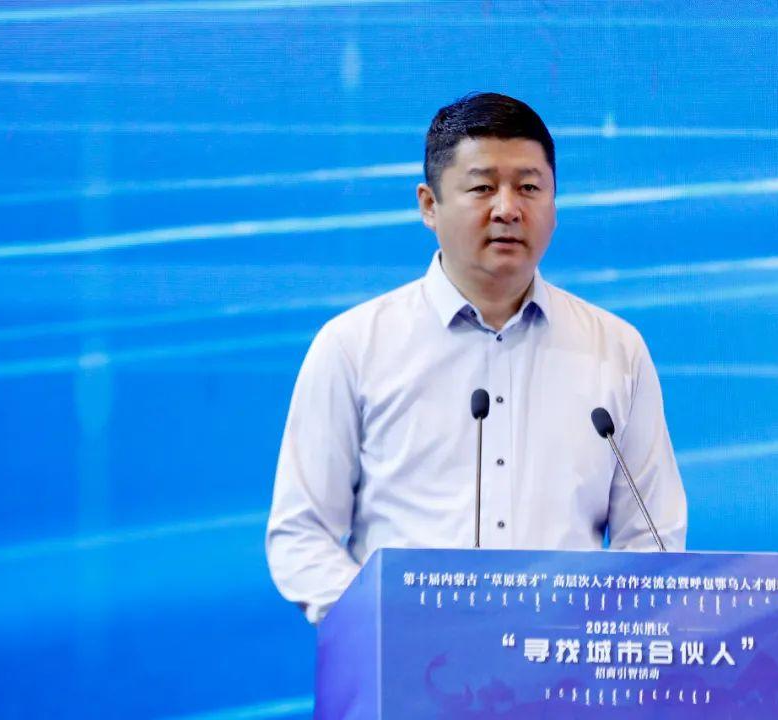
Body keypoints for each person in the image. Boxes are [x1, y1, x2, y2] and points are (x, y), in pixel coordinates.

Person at [266, 92, 687, 624]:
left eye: (529, 187)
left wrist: (596, 634)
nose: (508, 208)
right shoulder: (354, 346)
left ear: (554, 206)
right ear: (429, 205)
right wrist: (388, 626)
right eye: (483, 187)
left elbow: (652, 537)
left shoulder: (615, 349)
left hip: (563, 661)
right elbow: (301, 536)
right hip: (409, 660)